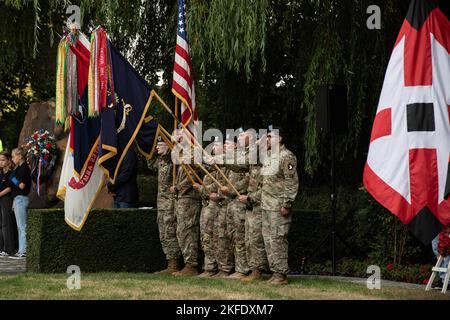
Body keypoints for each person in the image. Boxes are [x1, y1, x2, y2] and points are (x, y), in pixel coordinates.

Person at [261, 126, 299, 285]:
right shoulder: (269, 156)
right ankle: (275, 271)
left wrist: (287, 203)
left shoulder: (287, 156)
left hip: (278, 206)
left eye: (270, 136)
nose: (267, 139)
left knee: (278, 239)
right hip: (266, 205)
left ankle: (281, 274)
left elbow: (291, 182)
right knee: (269, 240)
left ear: (280, 138)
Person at [221, 128, 252, 279]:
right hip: (231, 202)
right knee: (232, 235)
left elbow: (248, 178)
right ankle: (236, 267)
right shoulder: (236, 157)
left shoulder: (250, 155)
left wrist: (232, 190)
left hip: (241, 200)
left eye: (241, 135)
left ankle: (243, 269)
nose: (238, 137)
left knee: (240, 236)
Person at [170, 130, 203, 276]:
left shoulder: (195, 152)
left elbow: (193, 175)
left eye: (181, 134)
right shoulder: (180, 152)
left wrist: (178, 187)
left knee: (188, 230)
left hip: (190, 197)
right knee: (181, 231)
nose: (178, 136)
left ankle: (192, 265)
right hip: (181, 199)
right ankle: (187, 264)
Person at [147, 139, 182, 274]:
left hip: (170, 202)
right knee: (163, 233)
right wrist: (147, 150)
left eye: (160, 145)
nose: (157, 147)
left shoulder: (172, 160)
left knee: (170, 232)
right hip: (161, 202)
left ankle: (174, 264)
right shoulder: (161, 160)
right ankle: (169, 263)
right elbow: (151, 165)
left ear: (168, 145)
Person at [239, 132, 269, 282]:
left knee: (256, 239)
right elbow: (239, 164)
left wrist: (251, 197)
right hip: (250, 204)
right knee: (249, 238)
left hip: (259, 204)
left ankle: (258, 270)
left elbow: (268, 187)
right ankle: (253, 269)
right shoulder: (252, 161)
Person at [194, 137, 223, 277]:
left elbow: (219, 184)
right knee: (205, 237)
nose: (213, 148)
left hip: (215, 204)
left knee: (214, 236)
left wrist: (201, 189)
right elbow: (199, 165)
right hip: (206, 204)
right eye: (213, 146)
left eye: (217, 145)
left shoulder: (224, 165)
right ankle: (209, 266)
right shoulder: (212, 165)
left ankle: (216, 267)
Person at [9, 147, 31, 259]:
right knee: (20, 226)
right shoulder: (18, 168)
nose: (12, 159)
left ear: (20, 156)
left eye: (13, 156)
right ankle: (21, 249)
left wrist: (13, 179)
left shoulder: (24, 168)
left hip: (21, 199)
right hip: (17, 199)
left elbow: (22, 186)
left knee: (22, 226)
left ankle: (24, 250)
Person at [0, 151, 16, 257]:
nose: (0, 162)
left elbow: (10, 188)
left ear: (8, 161)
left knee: (6, 224)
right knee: (0, 224)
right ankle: (1, 248)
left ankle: (8, 249)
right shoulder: (0, 173)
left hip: (6, 199)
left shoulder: (11, 173)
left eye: (3, 160)